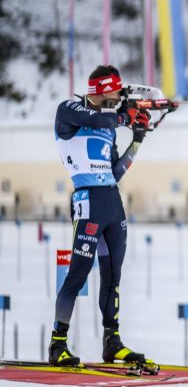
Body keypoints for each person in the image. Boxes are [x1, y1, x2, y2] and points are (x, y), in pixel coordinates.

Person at [49, 65, 151, 367]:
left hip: (111, 202)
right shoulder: (69, 110)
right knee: (78, 273)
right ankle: (58, 343)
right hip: (88, 200)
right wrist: (124, 117)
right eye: (116, 92)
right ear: (103, 91)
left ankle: (112, 341)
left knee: (112, 276)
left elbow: (115, 171)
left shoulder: (110, 125)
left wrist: (137, 139)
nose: (119, 98)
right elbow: (99, 118)